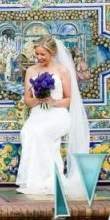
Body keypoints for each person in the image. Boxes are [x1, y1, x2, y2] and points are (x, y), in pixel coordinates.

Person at [15, 35, 90, 196]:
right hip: (38, 113)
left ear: (52, 53)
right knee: (27, 132)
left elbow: (69, 99)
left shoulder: (62, 70)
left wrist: (52, 100)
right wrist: (38, 99)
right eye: (37, 54)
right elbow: (28, 101)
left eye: (43, 54)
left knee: (40, 134)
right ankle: (35, 180)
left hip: (58, 115)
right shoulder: (31, 71)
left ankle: (52, 179)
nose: (39, 57)